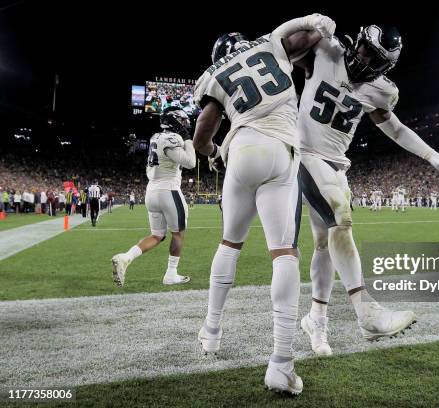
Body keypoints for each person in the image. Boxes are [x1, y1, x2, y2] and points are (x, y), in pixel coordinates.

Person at [192, 14, 335, 395]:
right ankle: (281, 364)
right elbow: (308, 36)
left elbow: (203, 131)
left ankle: (210, 332)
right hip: (281, 148)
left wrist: (212, 152)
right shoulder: (269, 44)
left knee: (229, 244)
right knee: (284, 253)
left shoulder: (215, 72)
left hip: (240, 147)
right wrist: (317, 25)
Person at [293, 24, 439, 356]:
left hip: (337, 166)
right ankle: (366, 312)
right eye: (365, 49)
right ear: (359, 41)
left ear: (385, 66)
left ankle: (316, 319)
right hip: (306, 155)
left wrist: (432, 155)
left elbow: (394, 127)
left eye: (374, 58)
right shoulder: (326, 51)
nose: (364, 58)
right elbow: (284, 50)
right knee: (341, 219)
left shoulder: (380, 91)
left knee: (325, 245)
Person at [112, 107, 196, 286]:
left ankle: (125, 257)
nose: (185, 124)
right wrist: (187, 139)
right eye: (182, 120)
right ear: (175, 121)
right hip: (169, 190)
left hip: (151, 191)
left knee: (157, 235)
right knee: (178, 234)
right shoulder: (173, 138)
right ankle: (171, 274)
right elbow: (190, 162)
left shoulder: (155, 137)